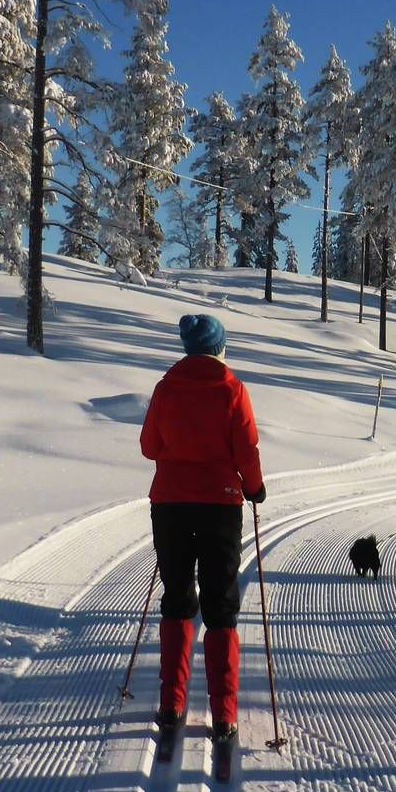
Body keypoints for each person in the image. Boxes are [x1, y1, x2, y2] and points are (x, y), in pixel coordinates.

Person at [139, 313, 265, 749]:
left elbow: (149, 446)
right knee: (220, 604)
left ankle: (172, 703)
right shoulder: (232, 389)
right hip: (220, 505)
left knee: (176, 598)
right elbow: (246, 448)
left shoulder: (165, 388)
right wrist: (255, 487)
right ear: (218, 347)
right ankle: (224, 711)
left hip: (170, 504)